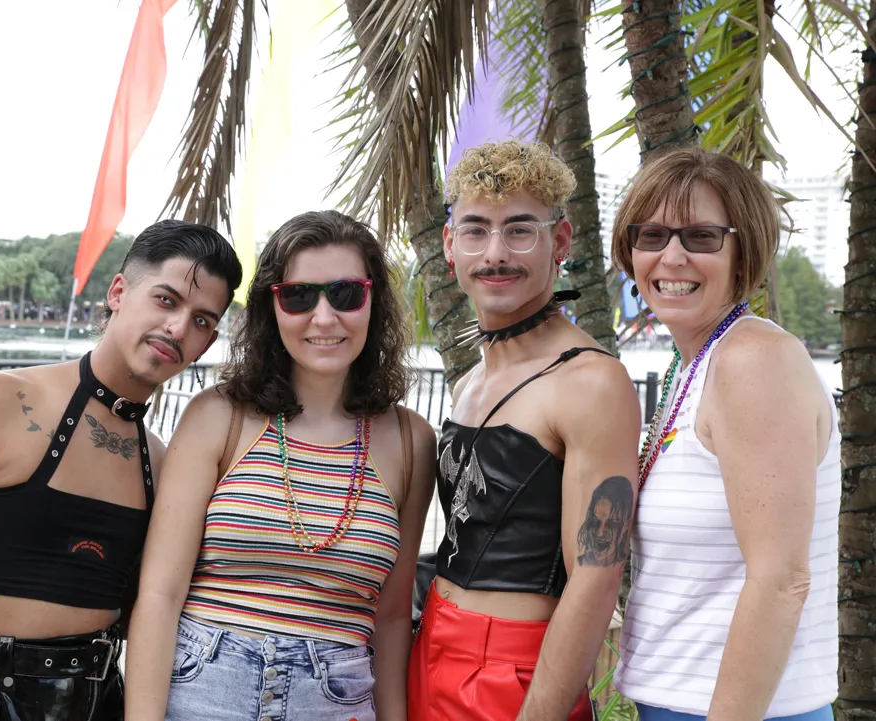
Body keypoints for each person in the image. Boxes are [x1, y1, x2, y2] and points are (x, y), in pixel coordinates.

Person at [0, 219, 242, 721]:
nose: (178, 328)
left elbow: (153, 606)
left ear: (209, 342)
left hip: (102, 700)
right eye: (165, 300)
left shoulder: (161, 462)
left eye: (201, 320)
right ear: (118, 292)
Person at [123, 210, 437, 721]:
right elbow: (159, 595)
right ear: (272, 307)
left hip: (336, 703)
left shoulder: (410, 440)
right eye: (298, 296)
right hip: (202, 697)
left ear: (373, 301)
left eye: (346, 294)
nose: (324, 317)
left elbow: (393, 617)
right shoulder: (217, 416)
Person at [406, 140, 642, 721]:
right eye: (476, 230)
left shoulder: (591, 381)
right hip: (429, 647)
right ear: (449, 245)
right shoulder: (471, 382)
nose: (495, 254)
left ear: (559, 242)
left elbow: (595, 581)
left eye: (519, 230)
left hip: (514, 672)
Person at [611, 148, 840, 721]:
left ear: (743, 253)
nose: (672, 256)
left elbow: (781, 581)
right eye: (651, 235)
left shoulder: (754, 360)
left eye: (701, 237)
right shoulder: (693, 366)